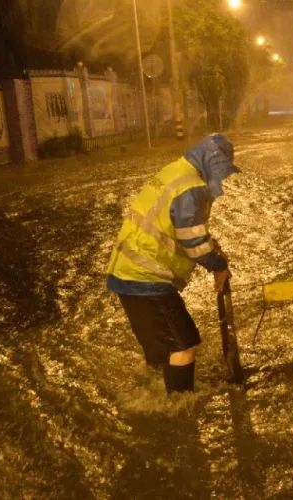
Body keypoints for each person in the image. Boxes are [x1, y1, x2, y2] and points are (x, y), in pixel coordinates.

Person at [106, 134, 239, 393]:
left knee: (162, 349)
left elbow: (178, 226)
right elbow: (194, 243)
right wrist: (218, 265)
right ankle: (181, 411)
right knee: (183, 346)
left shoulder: (175, 171)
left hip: (127, 273)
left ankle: (155, 395)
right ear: (212, 162)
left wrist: (211, 248)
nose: (222, 177)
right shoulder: (190, 187)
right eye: (221, 169)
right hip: (146, 279)